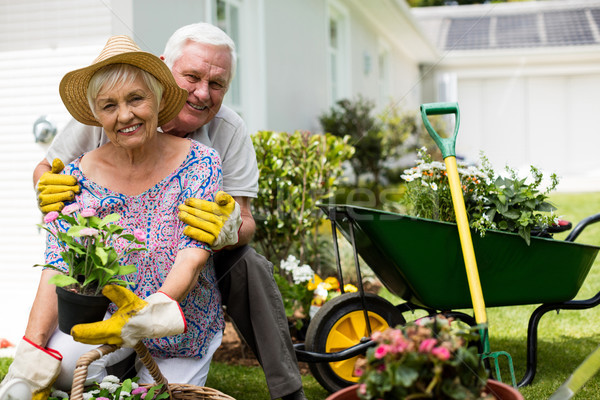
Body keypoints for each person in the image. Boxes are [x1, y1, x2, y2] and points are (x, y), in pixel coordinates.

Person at [32, 23, 305, 400]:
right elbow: (49, 170)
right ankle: (113, 354)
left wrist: (228, 228)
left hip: (197, 265)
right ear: (165, 71)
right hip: (116, 265)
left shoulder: (225, 134)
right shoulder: (105, 111)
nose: (202, 93)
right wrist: (46, 191)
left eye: (217, 84)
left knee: (249, 264)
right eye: (191, 77)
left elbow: (244, 218)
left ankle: (288, 389)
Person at [2, 35, 226, 398]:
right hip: (106, 322)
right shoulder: (76, 176)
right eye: (109, 105)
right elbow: (58, 265)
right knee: (59, 372)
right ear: (96, 115)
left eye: (136, 98)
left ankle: (132, 366)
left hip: (178, 324)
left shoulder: (200, 161)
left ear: (158, 99)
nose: (124, 115)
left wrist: (150, 313)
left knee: (158, 394)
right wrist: (31, 349)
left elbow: (193, 252)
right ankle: (111, 363)